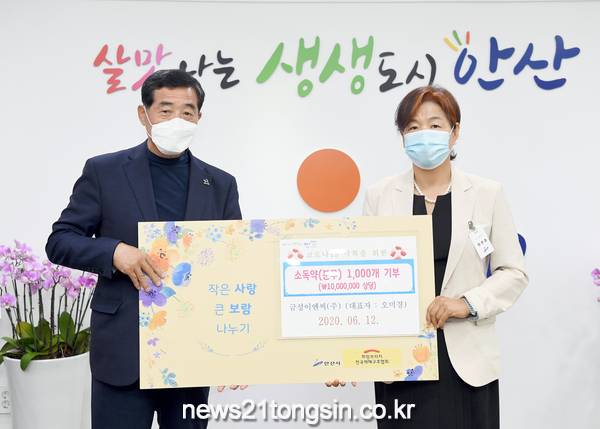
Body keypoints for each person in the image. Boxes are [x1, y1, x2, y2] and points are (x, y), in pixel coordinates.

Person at [46, 69, 243, 429]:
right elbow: (60, 240)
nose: (177, 120)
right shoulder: (104, 171)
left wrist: (236, 348)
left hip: (191, 355)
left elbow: (235, 263)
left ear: (199, 117)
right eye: (165, 110)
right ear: (144, 114)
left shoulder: (220, 184)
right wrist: (114, 252)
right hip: (123, 352)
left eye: (187, 112)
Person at [329, 85, 528, 429]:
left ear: (455, 131)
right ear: (402, 137)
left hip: (466, 363)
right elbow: (363, 281)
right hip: (400, 361)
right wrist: (343, 355)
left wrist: (465, 303)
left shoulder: (487, 194)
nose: (424, 134)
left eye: (435, 125)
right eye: (413, 127)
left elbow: (513, 272)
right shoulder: (380, 196)